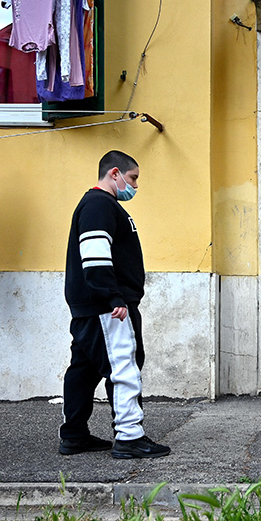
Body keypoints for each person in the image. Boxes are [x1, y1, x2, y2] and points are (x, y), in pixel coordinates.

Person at [58, 150, 170, 459]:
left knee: (83, 369)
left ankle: (74, 435)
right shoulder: (99, 204)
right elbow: (94, 254)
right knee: (124, 366)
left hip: (92, 307)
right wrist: (113, 297)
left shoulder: (99, 205)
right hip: (107, 307)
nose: (135, 185)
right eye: (133, 178)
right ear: (115, 173)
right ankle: (130, 436)